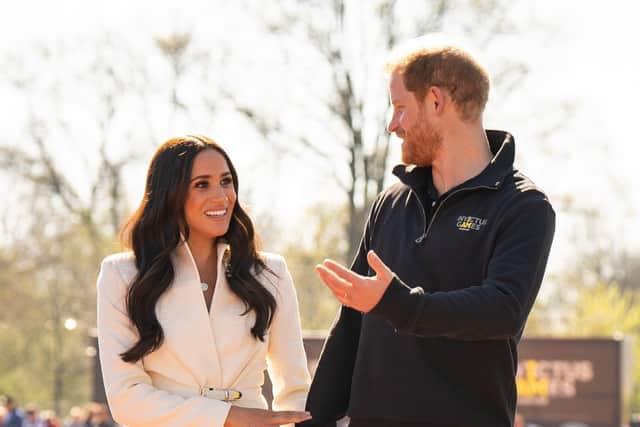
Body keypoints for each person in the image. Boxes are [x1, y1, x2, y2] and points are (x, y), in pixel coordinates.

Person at [302, 35, 556, 427]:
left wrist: (399, 303)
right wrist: (311, 419)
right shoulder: (389, 203)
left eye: (400, 108)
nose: (392, 125)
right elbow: (351, 327)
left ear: (436, 102)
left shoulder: (524, 206)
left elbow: (502, 309)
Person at [97, 135, 312, 427]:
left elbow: (295, 389)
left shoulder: (270, 273)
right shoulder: (122, 276)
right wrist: (229, 417)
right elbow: (126, 399)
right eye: (202, 184)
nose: (221, 196)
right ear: (170, 194)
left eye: (226, 181)